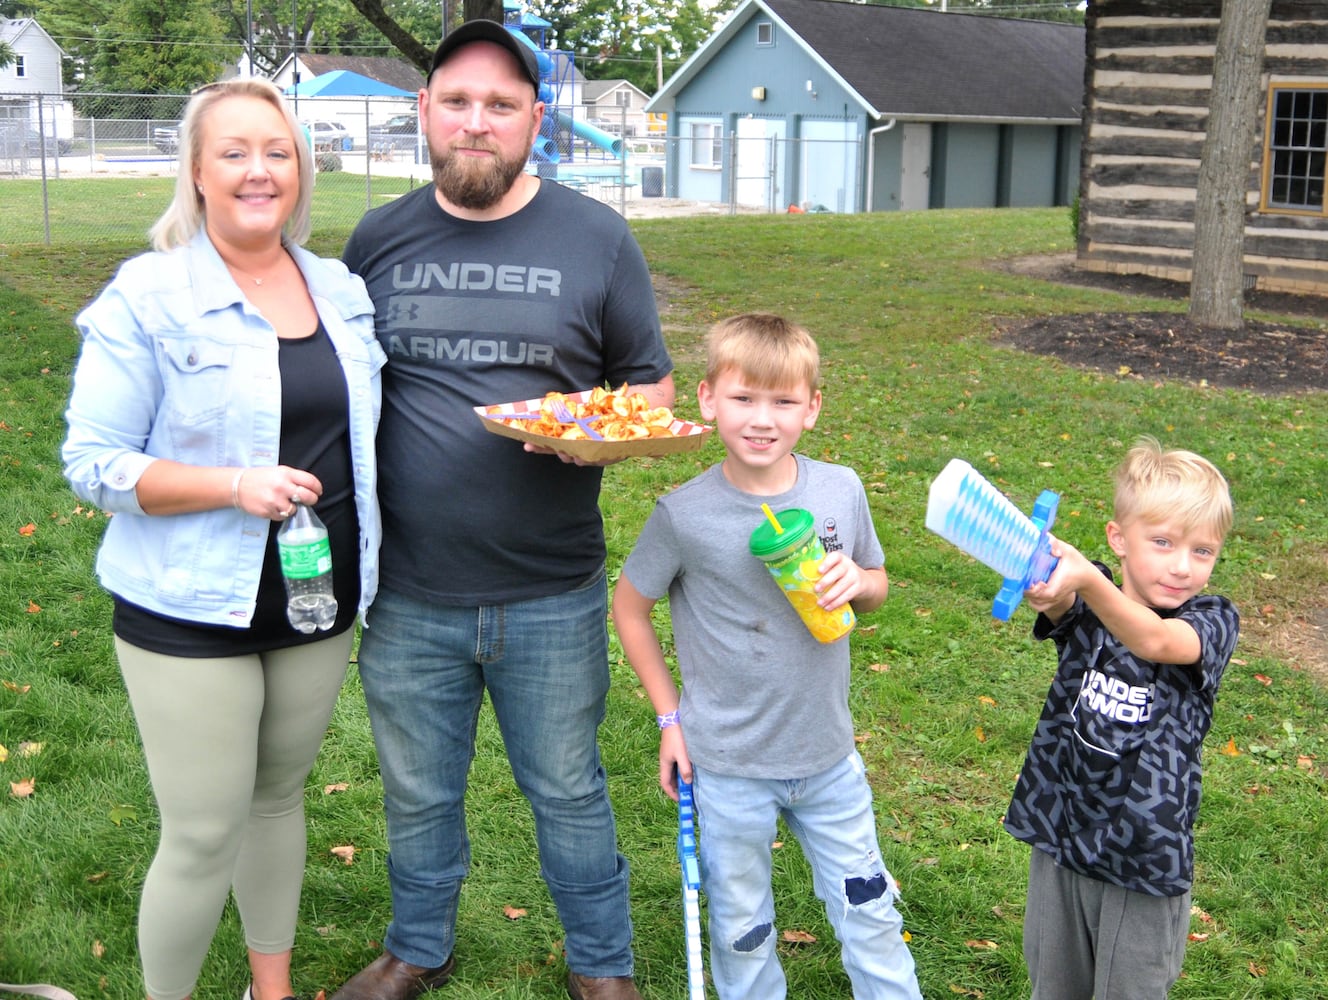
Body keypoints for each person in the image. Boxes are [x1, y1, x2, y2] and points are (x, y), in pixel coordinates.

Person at [331, 19, 673, 1000]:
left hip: (549, 587)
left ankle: (601, 966)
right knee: (417, 789)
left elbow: (647, 389)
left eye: (500, 105)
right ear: (426, 112)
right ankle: (417, 946)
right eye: (457, 102)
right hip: (408, 588)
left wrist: (594, 433)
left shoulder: (596, 238)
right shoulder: (378, 237)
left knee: (567, 789)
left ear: (535, 120)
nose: (475, 123)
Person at [61, 78, 383, 1000]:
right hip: (189, 600)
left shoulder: (340, 289)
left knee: (279, 799)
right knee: (203, 830)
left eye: (277, 153)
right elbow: (95, 464)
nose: (257, 171)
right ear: (197, 171)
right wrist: (231, 486)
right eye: (234, 152)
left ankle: (268, 991)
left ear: (301, 172)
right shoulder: (150, 294)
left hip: (319, 592)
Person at [612, 313, 923, 1000]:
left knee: (869, 910)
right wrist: (671, 721)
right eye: (744, 398)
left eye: (783, 401)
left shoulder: (839, 490)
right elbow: (629, 609)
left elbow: (876, 586)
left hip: (828, 759)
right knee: (742, 928)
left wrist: (860, 582)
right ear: (707, 400)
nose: (762, 419)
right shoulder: (683, 516)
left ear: (811, 409)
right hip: (727, 768)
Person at [1003, 437, 1240, 1000]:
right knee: (1054, 986)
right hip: (1061, 828)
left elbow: (1155, 639)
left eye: (1202, 551)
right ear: (1119, 539)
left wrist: (1088, 579)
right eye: (1162, 542)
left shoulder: (1211, 621)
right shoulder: (1089, 599)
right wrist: (1048, 582)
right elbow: (1061, 602)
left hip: (1144, 851)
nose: (1182, 566)